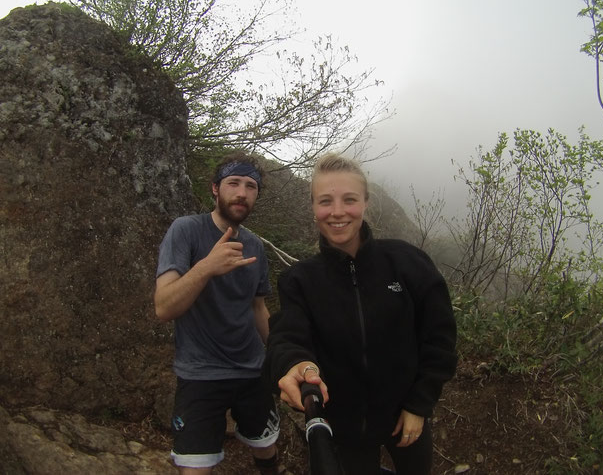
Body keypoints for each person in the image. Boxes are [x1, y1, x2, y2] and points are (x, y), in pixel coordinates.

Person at [264, 153, 457, 475]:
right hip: (343, 427)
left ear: (365, 202)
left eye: (349, 200)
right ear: (313, 207)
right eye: (325, 201)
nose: (337, 212)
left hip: (406, 413)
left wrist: (419, 405)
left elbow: (439, 337)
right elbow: (288, 336)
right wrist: (296, 365)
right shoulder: (300, 280)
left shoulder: (408, 263)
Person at [154, 152, 283, 475]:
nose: (241, 192)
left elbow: (257, 308)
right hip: (200, 373)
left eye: (250, 186)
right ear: (215, 188)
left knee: (266, 446)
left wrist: (283, 359)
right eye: (233, 183)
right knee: (195, 468)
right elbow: (164, 307)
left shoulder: (255, 247)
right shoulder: (186, 231)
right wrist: (207, 267)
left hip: (252, 370)